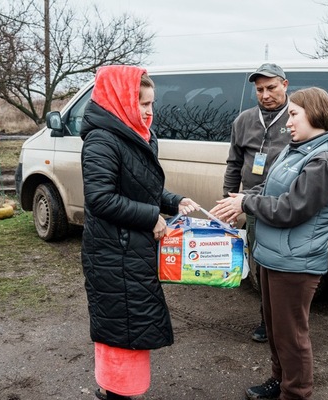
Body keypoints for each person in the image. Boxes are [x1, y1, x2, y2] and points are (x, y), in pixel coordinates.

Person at [211, 87, 328, 400]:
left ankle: (296, 392)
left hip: (296, 263)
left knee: (292, 336)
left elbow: (290, 208)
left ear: (315, 114)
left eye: (294, 114)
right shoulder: (297, 148)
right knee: (276, 331)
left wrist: (246, 205)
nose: (288, 121)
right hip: (275, 256)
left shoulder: (325, 161)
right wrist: (245, 196)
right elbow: (272, 187)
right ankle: (280, 380)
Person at [79, 65, 200, 400]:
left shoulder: (135, 135)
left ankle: (116, 390)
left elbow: (140, 188)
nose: (150, 112)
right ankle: (118, 393)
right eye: (144, 105)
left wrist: (173, 202)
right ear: (121, 102)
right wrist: (151, 218)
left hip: (129, 250)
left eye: (151, 104)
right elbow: (101, 199)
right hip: (113, 254)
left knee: (129, 327)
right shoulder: (102, 140)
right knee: (124, 330)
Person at [223, 62, 292, 343]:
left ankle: (288, 322)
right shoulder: (244, 121)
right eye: (259, 89)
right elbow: (234, 164)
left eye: (271, 87)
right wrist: (229, 201)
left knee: (286, 266)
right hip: (252, 203)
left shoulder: (298, 116)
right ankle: (267, 321)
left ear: (285, 85)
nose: (265, 95)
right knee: (260, 264)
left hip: (286, 203)